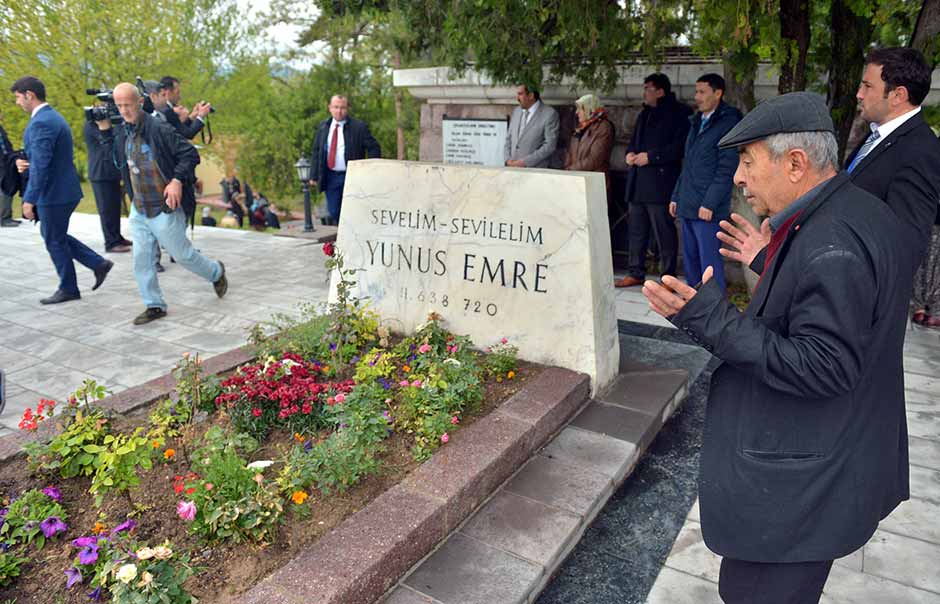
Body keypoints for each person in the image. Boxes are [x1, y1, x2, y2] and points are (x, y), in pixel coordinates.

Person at [642, 92, 913, 604]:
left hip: (808, 486)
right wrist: (771, 261)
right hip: (838, 460)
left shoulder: (833, 241)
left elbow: (824, 365)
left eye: (747, 161)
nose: (739, 177)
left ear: (794, 163)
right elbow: (847, 305)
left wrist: (705, 316)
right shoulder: (853, 213)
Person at [719, 48, 940, 311]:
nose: (859, 94)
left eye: (868, 86)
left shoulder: (920, 149)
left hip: (851, 312)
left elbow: (903, 249)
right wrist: (771, 258)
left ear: (898, 95)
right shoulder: (876, 138)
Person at [96, 82, 227, 325]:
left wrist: (177, 180)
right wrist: (104, 131)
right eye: (119, 105)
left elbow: (190, 154)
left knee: (182, 255)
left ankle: (216, 272)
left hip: (164, 206)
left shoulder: (158, 128)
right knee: (142, 259)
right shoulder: (122, 130)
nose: (124, 110)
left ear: (139, 102)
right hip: (140, 207)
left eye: (128, 105)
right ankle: (154, 305)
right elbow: (114, 162)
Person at [11, 76, 113, 304]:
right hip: (62, 190)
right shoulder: (50, 117)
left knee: (53, 239)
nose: (18, 102)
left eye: (18, 97)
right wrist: (24, 162)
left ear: (30, 94)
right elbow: (42, 158)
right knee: (55, 235)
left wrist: (29, 199)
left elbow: (43, 165)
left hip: (54, 193)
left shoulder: (41, 122)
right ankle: (98, 264)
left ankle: (69, 288)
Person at [616, 73, 692, 287]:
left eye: (648, 88)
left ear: (660, 90)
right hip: (638, 183)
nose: (644, 92)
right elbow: (634, 142)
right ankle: (636, 271)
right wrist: (630, 154)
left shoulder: (680, 113)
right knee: (636, 230)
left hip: (660, 184)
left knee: (664, 232)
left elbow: (679, 147)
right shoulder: (645, 113)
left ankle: (668, 275)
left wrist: (651, 157)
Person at [670, 73, 741, 294]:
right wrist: (675, 195)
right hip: (689, 203)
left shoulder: (728, 122)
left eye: (702, 92)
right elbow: (688, 163)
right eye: (696, 91)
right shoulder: (696, 121)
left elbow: (726, 169)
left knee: (709, 265)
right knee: (691, 264)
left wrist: (710, 203)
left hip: (707, 209)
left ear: (718, 93)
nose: (697, 97)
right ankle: (695, 312)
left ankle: (715, 312)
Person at [309, 95, 381, 223]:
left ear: (347, 109)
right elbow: (316, 151)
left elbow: (374, 148)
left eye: (342, 107)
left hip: (352, 176)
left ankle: (350, 236)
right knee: (334, 210)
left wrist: (370, 169)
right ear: (330, 108)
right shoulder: (323, 126)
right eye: (336, 107)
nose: (339, 111)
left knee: (353, 208)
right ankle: (345, 232)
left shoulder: (359, 127)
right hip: (330, 176)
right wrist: (313, 175)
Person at [84, 120, 132, 252]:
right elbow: (105, 141)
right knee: (106, 209)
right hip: (100, 173)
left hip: (112, 171)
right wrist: (105, 127)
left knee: (115, 207)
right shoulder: (92, 123)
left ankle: (117, 237)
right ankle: (111, 243)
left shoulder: (109, 121)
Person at [504, 85, 559, 169]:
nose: (517, 98)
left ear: (531, 95)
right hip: (512, 170)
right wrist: (507, 160)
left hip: (535, 172)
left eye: (520, 94)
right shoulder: (516, 111)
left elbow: (549, 146)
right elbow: (508, 139)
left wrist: (524, 162)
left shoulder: (549, 114)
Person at [563, 94, 614, 179]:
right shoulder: (580, 127)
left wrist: (571, 169)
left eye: (580, 109)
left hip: (593, 181)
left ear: (589, 109)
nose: (577, 112)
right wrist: (567, 169)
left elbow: (595, 159)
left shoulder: (604, 127)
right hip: (575, 178)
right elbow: (570, 153)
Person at [0, 124, 20, 227]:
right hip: (3, 164)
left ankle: (6, 217)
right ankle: (4, 219)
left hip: (4, 163)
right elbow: (4, 149)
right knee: (5, 189)